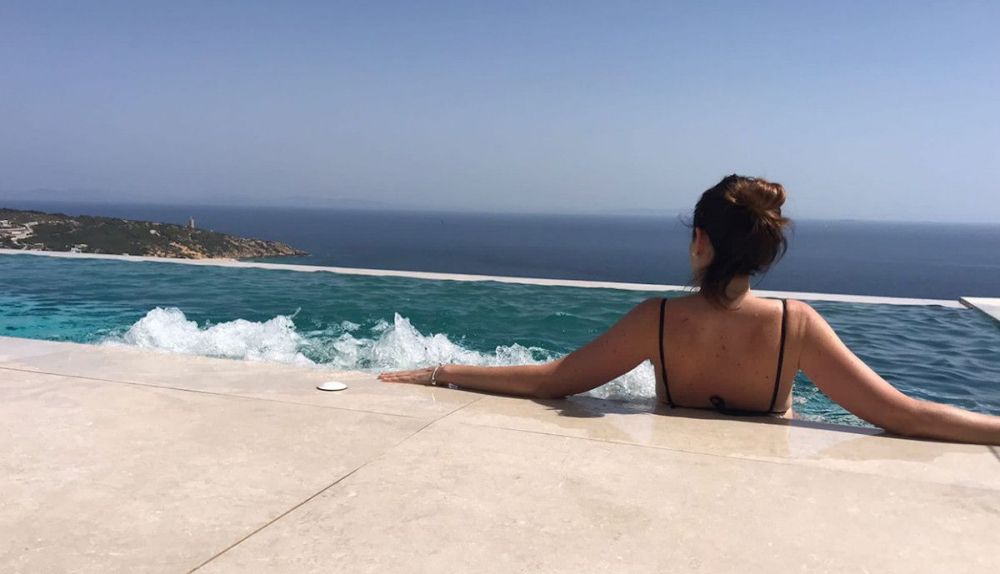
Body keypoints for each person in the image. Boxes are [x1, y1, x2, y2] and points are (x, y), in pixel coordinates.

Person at [379, 175, 1000, 445]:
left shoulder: (657, 320)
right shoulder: (796, 326)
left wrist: (441, 371)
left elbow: (553, 382)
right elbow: (901, 415)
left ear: (700, 241)